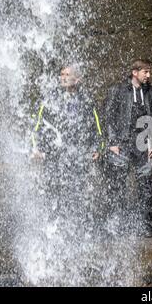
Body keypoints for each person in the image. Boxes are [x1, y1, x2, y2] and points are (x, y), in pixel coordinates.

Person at [30, 64, 104, 215]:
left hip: (78, 154)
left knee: (77, 192)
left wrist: (98, 148)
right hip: (55, 154)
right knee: (54, 191)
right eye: (61, 74)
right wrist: (36, 147)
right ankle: (55, 228)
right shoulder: (50, 99)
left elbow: (97, 127)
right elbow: (37, 125)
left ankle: (76, 227)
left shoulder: (87, 100)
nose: (63, 77)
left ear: (77, 79)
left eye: (67, 75)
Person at [105, 59, 152, 238]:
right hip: (121, 144)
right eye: (145, 72)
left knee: (145, 186)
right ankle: (116, 225)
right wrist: (111, 142)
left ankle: (145, 224)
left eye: (149, 72)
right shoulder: (116, 91)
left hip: (144, 145)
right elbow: (108, 117)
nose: (149, 75)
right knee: (117, 186)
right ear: (135, 72)